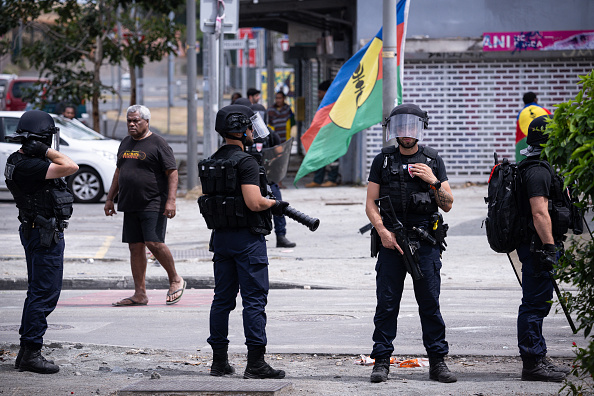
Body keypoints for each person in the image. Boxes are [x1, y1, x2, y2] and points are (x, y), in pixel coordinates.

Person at [365, 103, 457, 384]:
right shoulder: (382, 160)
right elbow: (370, 203)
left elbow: (449, 204)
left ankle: (438, 362)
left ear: (420, 129)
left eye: (411, 127)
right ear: (393, 129)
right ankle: (381, 361)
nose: (406, 133)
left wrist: (434, 182)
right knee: (387, 304)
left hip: (425, 244)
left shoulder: (432, 160)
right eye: (401, 127)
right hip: (391, 243)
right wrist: (382, 231)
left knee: (430, 304)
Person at [197, 104, 286, 379]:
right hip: (248, 240)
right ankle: (256, 363)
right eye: (249, 127)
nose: (252, 132)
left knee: (222, 300)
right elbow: (253, 201)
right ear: (240, 128)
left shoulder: (213, 160)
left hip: (221, 239)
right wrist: (276, 203)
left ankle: (219, 362)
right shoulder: (246, 162)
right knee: (254, 301)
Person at [5, 110, 78, 374]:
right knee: (45, 294)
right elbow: (71, 166)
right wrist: (46, 151)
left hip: (37, 232)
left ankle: (26, 351)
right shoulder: (30, 165)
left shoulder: (18, 159)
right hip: (43, 235)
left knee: (37, 292)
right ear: (41, 139)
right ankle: (31, 352)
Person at [104, 104, 185, 307]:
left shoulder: (158, 143)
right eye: (129, 121)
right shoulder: (125, 143)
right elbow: (118, 172)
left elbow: (172, 173)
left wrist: (171, 200)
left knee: (154, 242)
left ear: (146, 122)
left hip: (154, 202)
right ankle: (140, 294)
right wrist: (110, 198)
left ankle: (176, 279)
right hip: (130, 203)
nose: (131, 124)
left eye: (135, 121)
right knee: (135, 247)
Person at [515, 115, 571, 382]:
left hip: (536, 245)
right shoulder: (538, 171)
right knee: (534, 305)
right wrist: (549, 247)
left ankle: (538, 355)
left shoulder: (535, 165)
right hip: (537, 246)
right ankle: (532, 363)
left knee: (538, 303)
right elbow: (539, 213)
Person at [246, 103, 296, 248]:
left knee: (278, 205)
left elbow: (280, 152)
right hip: (249, 178)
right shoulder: (245, 133)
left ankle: (281, 235)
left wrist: (273, 163)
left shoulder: (269, 134)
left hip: (267, 178)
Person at [305, 80, 339, 188]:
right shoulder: (326, 102)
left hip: (332, 133)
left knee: (333, 158)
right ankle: (318, 180)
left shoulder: (333, 103)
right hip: (323, 133)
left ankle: (332, 179)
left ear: (326, 92)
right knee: (320, 156)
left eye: (320, 92)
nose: (318, 95)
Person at [516, 92, 551, 162]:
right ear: (535, 100)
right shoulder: (544, 110)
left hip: (525, 141)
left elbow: (518, 132)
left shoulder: (521, 113)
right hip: (543, 141)